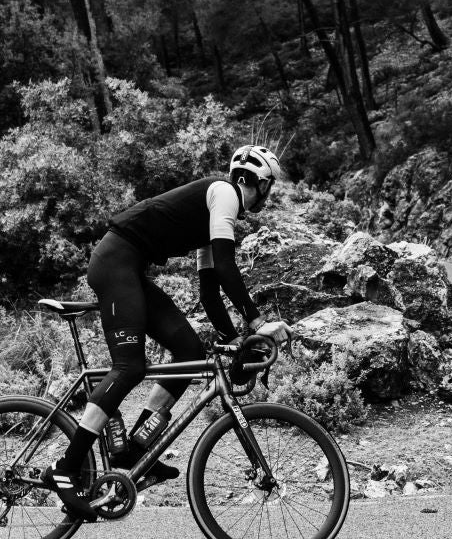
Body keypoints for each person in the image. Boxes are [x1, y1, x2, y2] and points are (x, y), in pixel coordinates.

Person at [46, 144, 290, 519]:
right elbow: (226, 269)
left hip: (130, 267)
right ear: (258, 182)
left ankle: (135, 448)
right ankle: (66, 467)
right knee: (129, 366)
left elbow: (209, 288)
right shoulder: (224, 193)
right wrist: (256, 323)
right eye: (269, 188)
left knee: (191, 354)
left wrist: (232, 338)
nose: (268, 196)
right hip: (115, 262)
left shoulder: (214, 215)